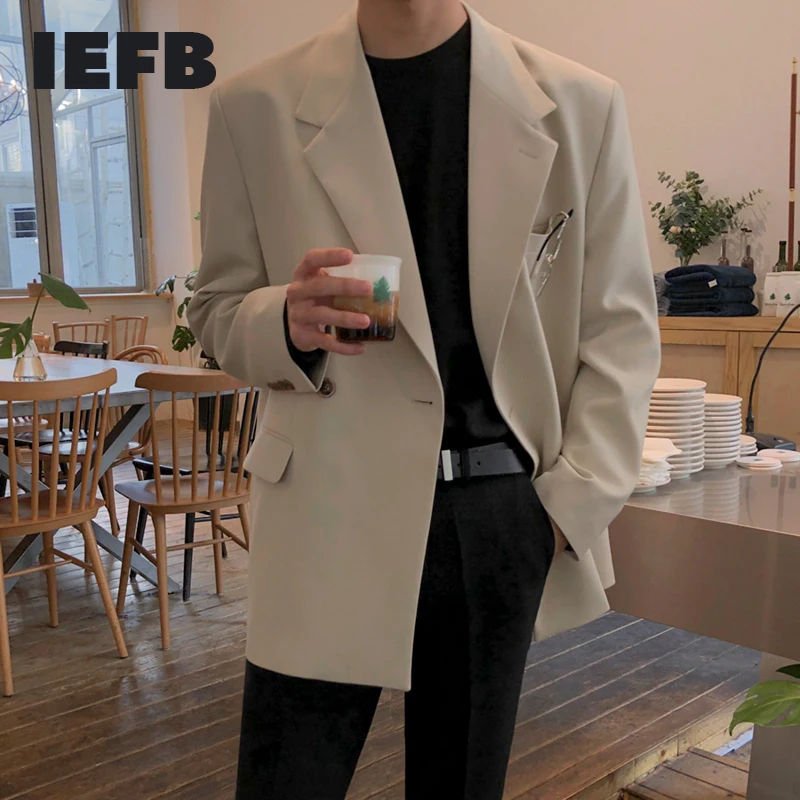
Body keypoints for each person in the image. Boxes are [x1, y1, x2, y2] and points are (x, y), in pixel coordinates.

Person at [187, 0, 661, 797]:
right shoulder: (253, 106)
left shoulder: (580, 103)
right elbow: (215, 308)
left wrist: (564, 509)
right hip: (324, 506)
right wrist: (283, 321)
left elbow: (620, 331)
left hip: (496, 512)